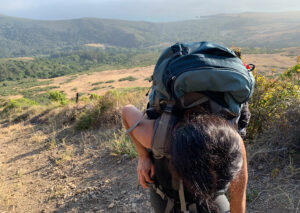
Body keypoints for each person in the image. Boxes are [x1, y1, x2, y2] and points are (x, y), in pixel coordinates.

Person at [122, 105, 248, 213]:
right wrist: (143, 157)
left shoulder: (234, 147)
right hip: (166, 194)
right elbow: (127, 111)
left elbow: (238, 197)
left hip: (210, 200)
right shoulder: (158, 138)